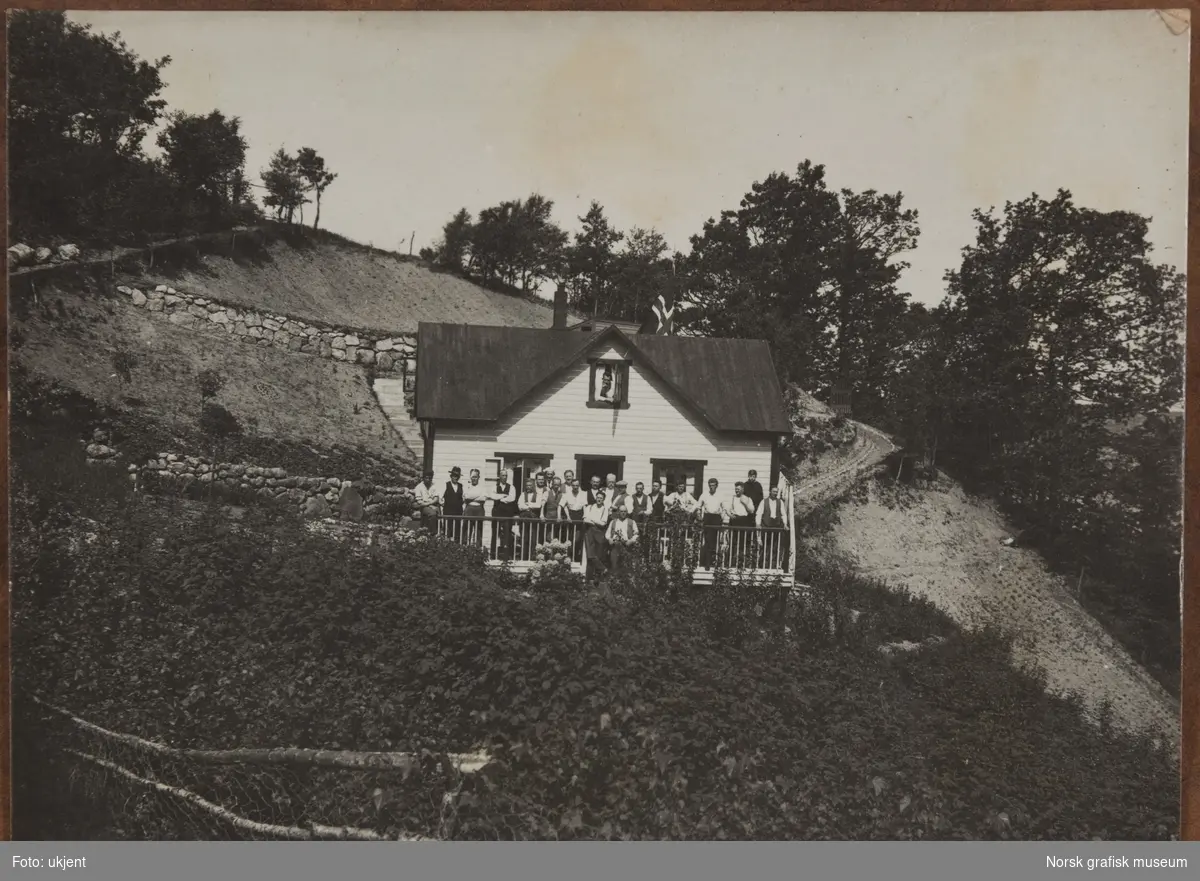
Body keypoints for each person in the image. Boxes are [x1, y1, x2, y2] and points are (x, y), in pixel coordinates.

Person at [756, 485, 791, 570]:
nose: (775, 493)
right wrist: (758, 524)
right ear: (770, 492)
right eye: (774, 491)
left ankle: (774, 566)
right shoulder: (764, 501)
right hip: (766, 527)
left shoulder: (780, 502)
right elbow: (759, 514)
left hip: (776, 528)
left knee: (775, 547)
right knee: (764, 547)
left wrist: (785, 524)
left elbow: (783, 514)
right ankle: (762, 565)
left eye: (776, 492)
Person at [697, 478, 729, 569]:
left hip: (716, 518)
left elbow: (725, 507)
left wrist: (722, 517)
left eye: (713, 485)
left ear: (716, 486)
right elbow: (699, 506)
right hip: (707, 518)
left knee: (716, 541)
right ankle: (707, 563)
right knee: (707, 541)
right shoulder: (704, 495)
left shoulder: (720, 495)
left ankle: (715, 563)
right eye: (710, 485)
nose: (712, 487)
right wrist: (699, 516)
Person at [490, 470, 519, 561]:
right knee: (495, 533)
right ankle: (493, 554)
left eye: (506, 475)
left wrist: (500, 498)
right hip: (496, 512)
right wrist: (503, 496)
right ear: (499, 476)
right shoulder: (494, 486)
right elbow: (492, 496)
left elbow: (512, 498)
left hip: (507, 513)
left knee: (507, 533)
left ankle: (506, 555)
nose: (504, 477)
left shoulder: (511, 487)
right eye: (502, 475)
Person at [728, 481, 758, 567]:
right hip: (735, 521)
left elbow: (752, 511)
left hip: (744, 521)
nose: (736, 491)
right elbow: (728, 508)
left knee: (744, 542)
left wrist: (745, 504)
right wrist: (730, 514)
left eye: (738, 489)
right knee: (733, 542)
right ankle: (732, 562)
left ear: (743, 489)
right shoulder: (732, 498)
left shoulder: (747, 498)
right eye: (736, 489)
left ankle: (743, 563)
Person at [583, 488, 611, 580]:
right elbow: (585, 519)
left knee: (598, 555)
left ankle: (597, 578)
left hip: (599, 532)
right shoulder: (589, 507)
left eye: (601, 498)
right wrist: (595, 521)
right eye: (598, 497)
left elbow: (603, 523)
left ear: (603, 500)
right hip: (589, 531)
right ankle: (592, 576)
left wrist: (592, 520)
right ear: (595, 498)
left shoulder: (605, 509)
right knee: (590, 555)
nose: (599, 499)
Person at [606, 505, 640, 574]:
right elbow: (607, 533)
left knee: (626, 567)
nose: (623, 513)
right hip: (615, 546)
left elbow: (636, 534)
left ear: (627, 512)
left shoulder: (632, 522)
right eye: (621, 511)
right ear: (618, 512)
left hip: (626, 546)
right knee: (614, 567)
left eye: (625, 511)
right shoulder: (613, 522)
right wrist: (609, 539)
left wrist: (631, 541)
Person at [561, 476, 588, 562]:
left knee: (578, 539)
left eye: (577, 485)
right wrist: (568, 517)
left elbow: (584, 507)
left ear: (579, 485)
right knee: (569, 538)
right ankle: (569, 557)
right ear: (571, 486)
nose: (575, 487)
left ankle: (577, 557)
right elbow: (562, 506)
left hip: (579, 516)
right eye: (573, 485)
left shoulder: (583, 494)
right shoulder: (567, 494)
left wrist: (585, 517)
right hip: (571, 516)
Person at [517, 477, 544, 560]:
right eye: (527, 485)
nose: (528, 487)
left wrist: (528, 504)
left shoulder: (538, 494)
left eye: (530, 485)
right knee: (524, 538)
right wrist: (529, 507)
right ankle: (523, 557)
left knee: (533, 539)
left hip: (533, 520)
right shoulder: (522, 494)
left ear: (533, 486)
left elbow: (538, 505)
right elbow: (520, 506)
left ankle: (532, 558)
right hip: (524, 520)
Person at [463, 468, 488, 546]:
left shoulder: (482, 487)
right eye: (472, 477)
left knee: (478, 532)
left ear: (478, 477)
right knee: (467, 531)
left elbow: (483, 498)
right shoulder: (466, 486)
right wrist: (478, 496)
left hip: (479, 510)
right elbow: (466, 497)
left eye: (475, 477)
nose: (474, 478)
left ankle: (477, 551)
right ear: (470, 477)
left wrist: (471, 497)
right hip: (469, 510)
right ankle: (465, 549)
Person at [541, 475, 566, 546]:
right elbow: (542, 504)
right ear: (552, 484)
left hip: (558, 519)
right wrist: (542, 515)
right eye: (555, 484)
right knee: (548, 539)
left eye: (558, 485)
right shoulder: (547, 493)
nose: (556, 486)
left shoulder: (562, 494)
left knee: (557, 539)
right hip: (548, 518)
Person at [442, 466, 465, 541]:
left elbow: (463, 498)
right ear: (451, 476)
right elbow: (440, 498)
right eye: (454, 476)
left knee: (457, 532)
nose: (455, 478)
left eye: (457, 476)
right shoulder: (446, 485)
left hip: (458, 512)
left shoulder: (461, 486)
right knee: (447, 531)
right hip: (448, 512)